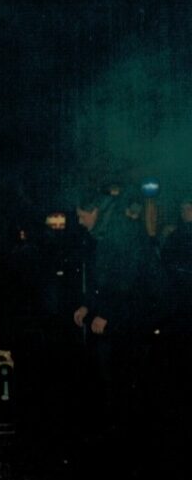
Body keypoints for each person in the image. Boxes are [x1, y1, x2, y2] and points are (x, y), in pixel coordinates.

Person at [71, 187, 160, 437]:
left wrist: (106, 313)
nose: (80, 222)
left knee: (125, 369)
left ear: (94, 211)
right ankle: (118, 420)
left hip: (136, 311)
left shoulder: (118, 230)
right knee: (114, 367)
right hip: (125, 310)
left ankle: (127, 427)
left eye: (82, 216)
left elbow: (126, 278)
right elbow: (103, 277)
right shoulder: (106, 230)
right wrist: (88, 305)